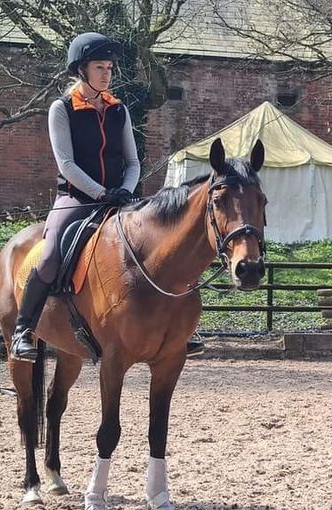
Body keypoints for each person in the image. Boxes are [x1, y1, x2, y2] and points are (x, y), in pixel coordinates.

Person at [10, 33, 206, 360]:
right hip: (76, 199)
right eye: (100, 67)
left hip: (120, 198)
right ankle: (22, 329)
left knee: (164, 246)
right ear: (81, 70)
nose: (107, 74)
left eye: (110, 68)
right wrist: (101, 192)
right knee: (49, 256)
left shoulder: (119, 110)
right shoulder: (62, 109)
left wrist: (126, 192)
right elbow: (67, 164)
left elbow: (133, 161)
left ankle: (183, 328)